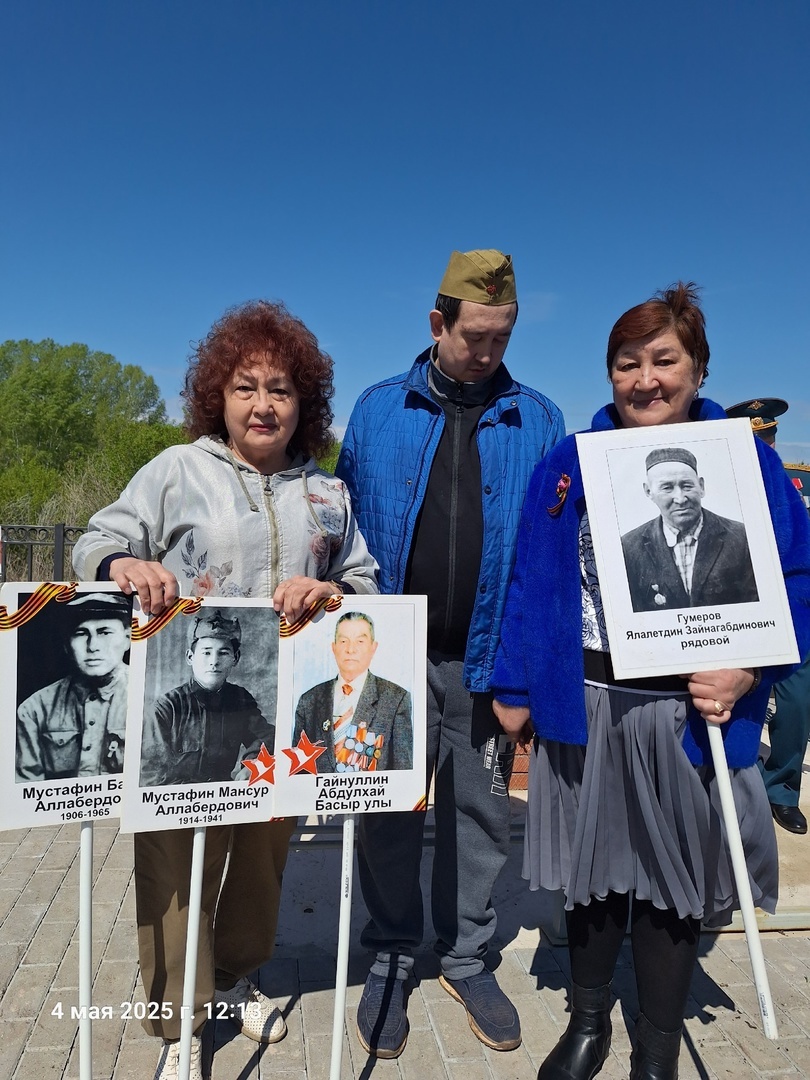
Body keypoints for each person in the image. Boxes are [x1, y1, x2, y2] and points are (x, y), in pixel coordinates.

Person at [492, 284, 810, 1080]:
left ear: (698, 369)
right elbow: (528, 577)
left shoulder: (750, 466)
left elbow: (797, 577)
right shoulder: (572, 461)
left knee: (672, 892)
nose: (645, 380)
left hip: (690, 714)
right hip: (591, 703)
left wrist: (751, 664)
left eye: (664, 361)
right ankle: (589, 1022)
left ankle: (658, 1050)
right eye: (626, 364)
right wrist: (515, 682)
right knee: (594, 881)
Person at [72, 300, 378, 1080]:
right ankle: (180, 1019)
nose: (263, 404)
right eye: (246, 387)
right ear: (220, 396)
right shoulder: (176, 470)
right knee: (175, 863)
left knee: (262, 860)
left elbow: (363, 581)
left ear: (304, 401)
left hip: (277, 719)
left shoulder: (328, 494)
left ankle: (237, 977)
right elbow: (98, 541)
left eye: (280, 388)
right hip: (179, 706)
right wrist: (120, 567)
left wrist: (330, 592)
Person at [336, 249, 565, 1057]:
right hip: (390, 659)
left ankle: (467, 956)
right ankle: (393, 951)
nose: (491, 352)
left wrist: (524, 672)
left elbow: (548, 557)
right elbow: (340, 529)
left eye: (503, 337)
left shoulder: (536, 417)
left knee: (480, 815)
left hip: (485, 662)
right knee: (390, 810)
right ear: (438, 324)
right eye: (476, 336)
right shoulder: (375, 410)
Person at [726, 397, 810, 834]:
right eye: (756, 439)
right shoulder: (721, 483)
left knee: (796, 705)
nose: (766, 447)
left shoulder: (796, 482)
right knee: (740, 702)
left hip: (794, 610)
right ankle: (744, 788)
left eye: (769, 438)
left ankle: (781, 790)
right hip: (741, 611)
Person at [140, 611, 277, 787]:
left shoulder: (239, 699)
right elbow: (151, 775)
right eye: (206, 653)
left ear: (235, 658)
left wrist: (254, 765)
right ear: (190, 657)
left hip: (224, 797)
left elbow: (267, 737)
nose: (214, 661)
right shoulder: (167, 707)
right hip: (176, 802)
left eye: (223, 653)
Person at [620, 446, 758, 611]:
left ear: (701, 486)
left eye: (687, 486)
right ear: (649, 491)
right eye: (667, 488)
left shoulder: (742, 537)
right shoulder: (629, 547)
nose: (680, 498)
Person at [16, 591, 131, 782]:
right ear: (66, 645)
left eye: (104, 632)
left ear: (128, 638)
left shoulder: (149, 701)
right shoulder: (34, 709)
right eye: (80, 633)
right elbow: (24, 788)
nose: (93, 646)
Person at [292, 610, 412, 772]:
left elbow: (403, 769)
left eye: (360, 641)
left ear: (373, 648)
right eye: (343, 641)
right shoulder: (309, 700)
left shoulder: (396, 698)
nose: (350, 649)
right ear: (333, 648)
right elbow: (298, 771)